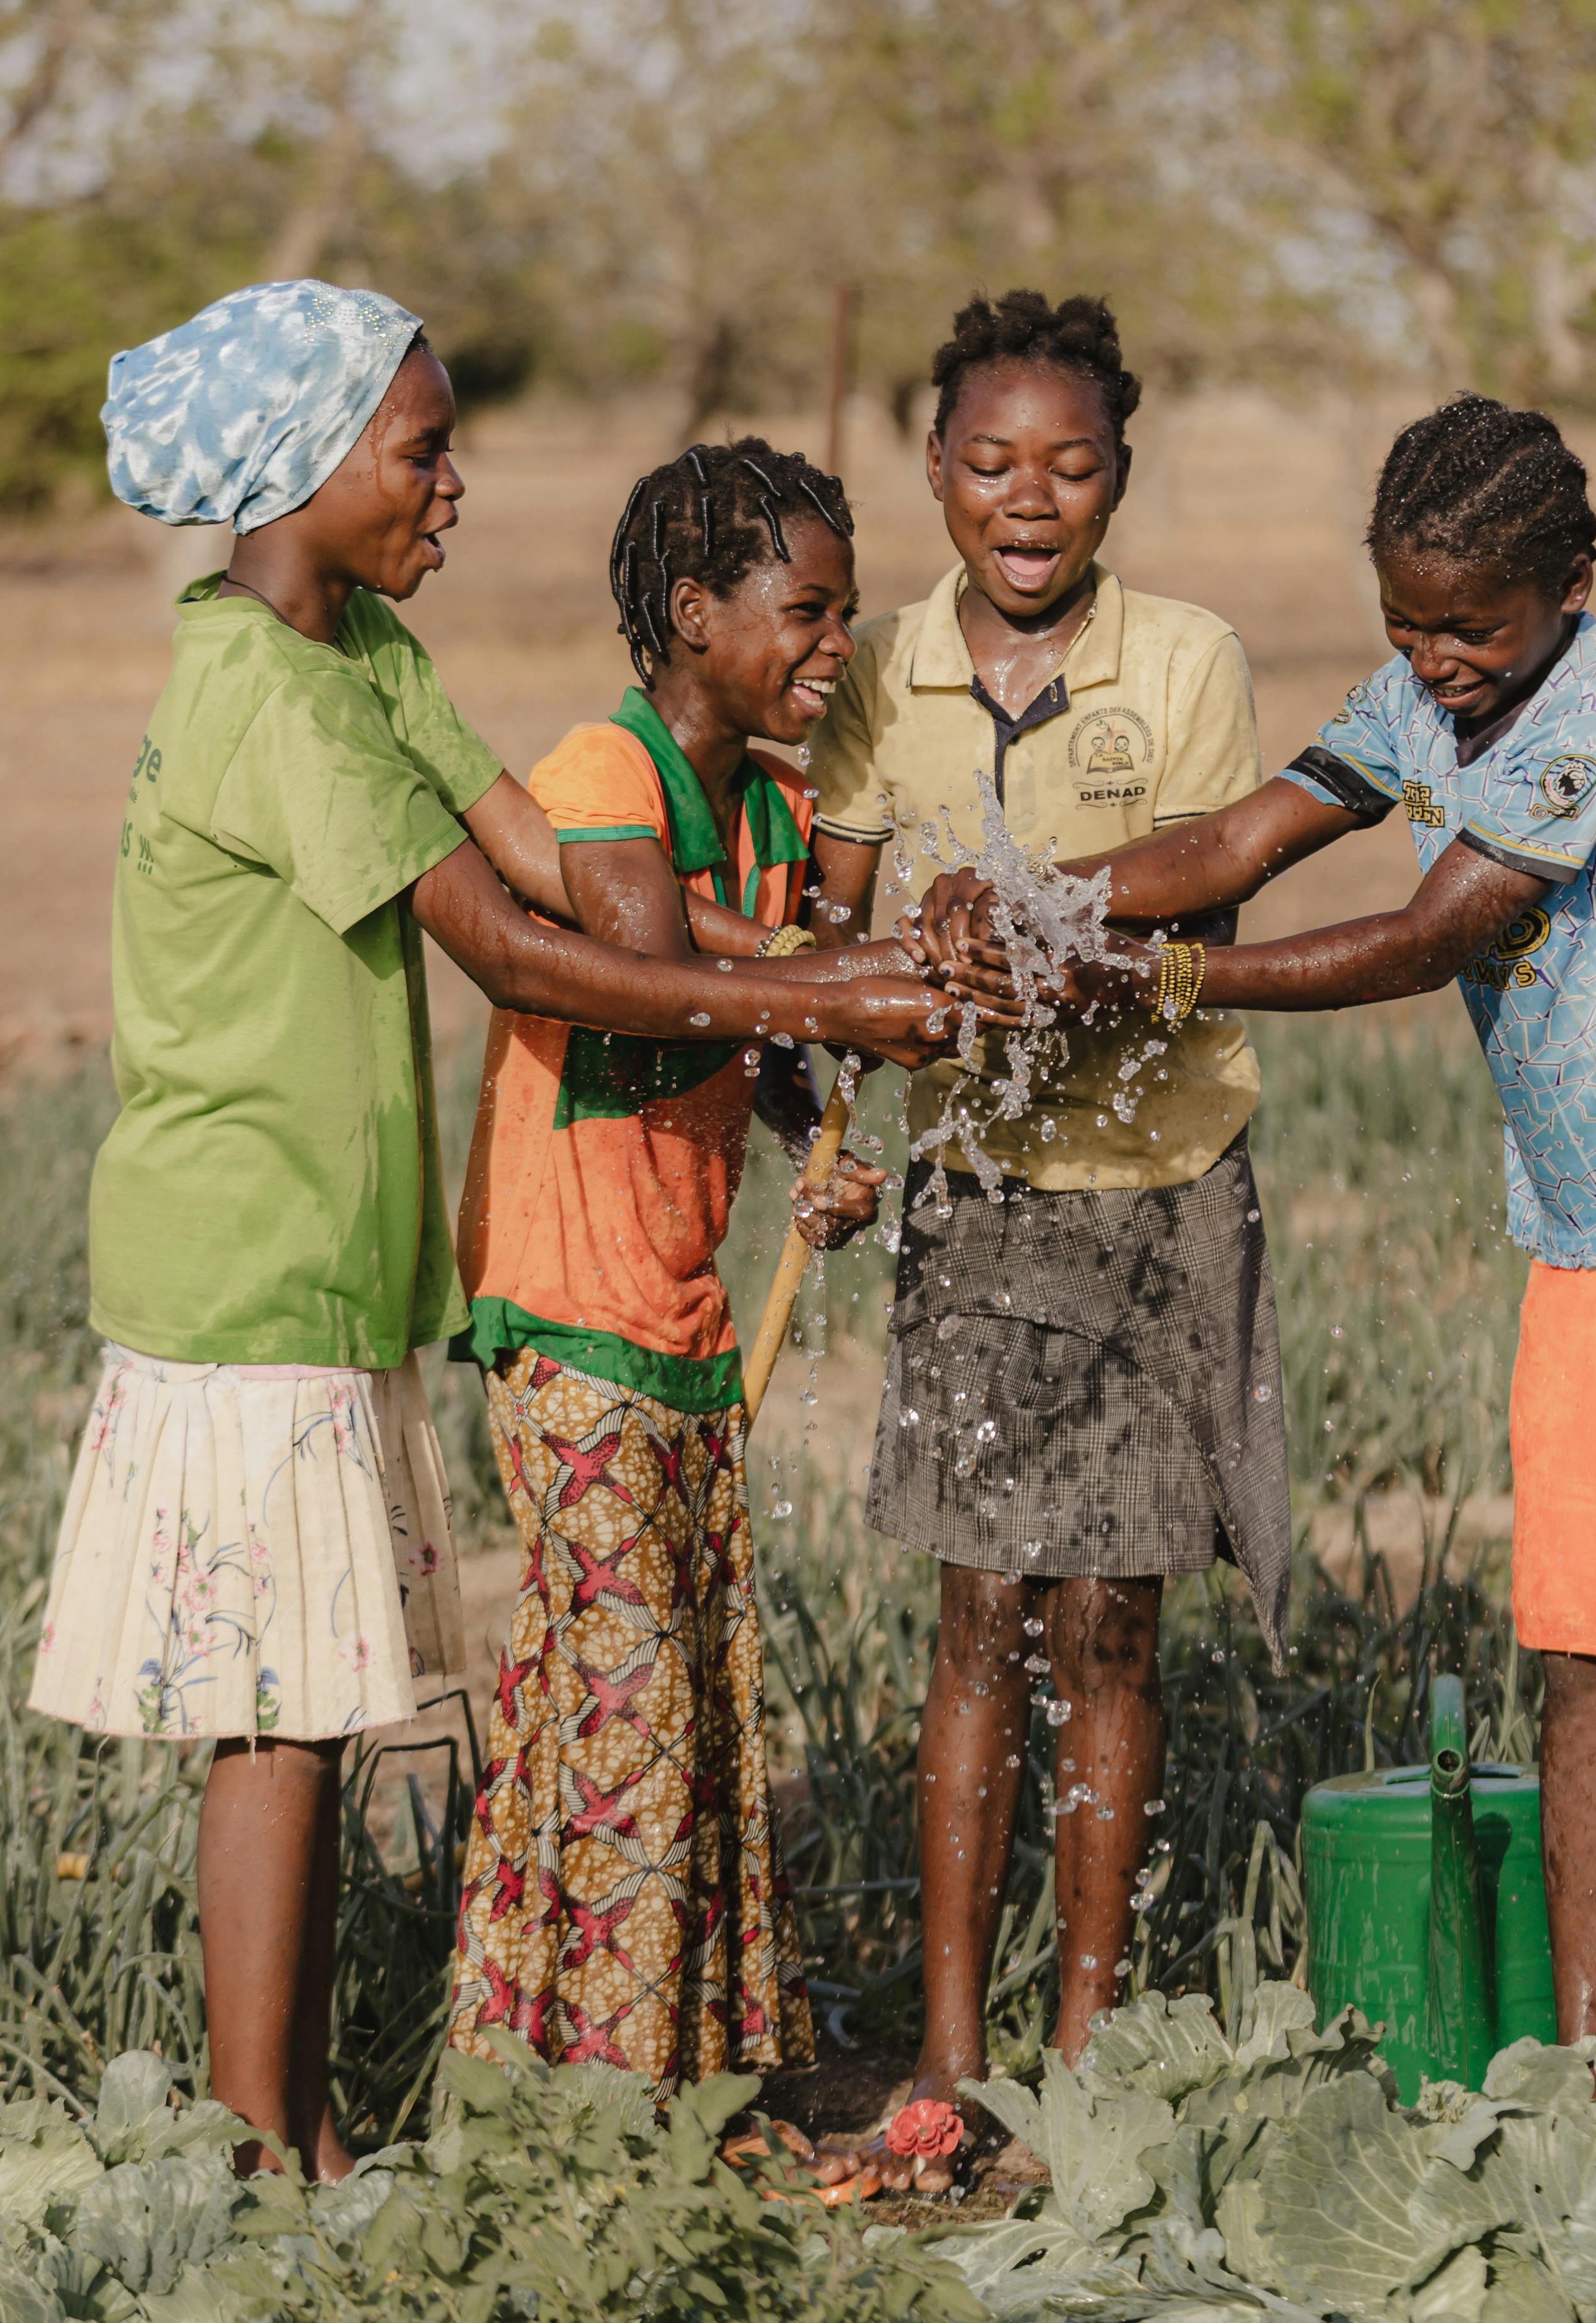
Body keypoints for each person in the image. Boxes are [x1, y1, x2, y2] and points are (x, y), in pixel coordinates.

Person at [26, 281, 947, 2181]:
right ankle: (256, 2147)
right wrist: (812, 998)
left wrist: (802, 970)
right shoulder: (255, 689)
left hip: (337, 1264)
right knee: (274, 1720)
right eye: (421, 448)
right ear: (300, 467)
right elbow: (516, 944)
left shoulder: (350, 645)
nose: (455, 485)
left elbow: (546, 859)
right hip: (243, 1262)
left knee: (320, 1707)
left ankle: (301, 2127)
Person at [921, 392, 1596, 2057]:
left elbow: (1425, 938)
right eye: (1406, 621)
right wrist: (1042, 896)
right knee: (1594, 1657)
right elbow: (1242, 837)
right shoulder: (1415, 699)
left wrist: (1142, 974)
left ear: (1572, 581)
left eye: (1474, 625)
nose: (1439, 657)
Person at [801, 291, 1292, 2191]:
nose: (1030, 501)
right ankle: (950, 2050)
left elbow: (1192, 903)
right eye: (991, 465)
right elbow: (840, 939)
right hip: (976, 1206)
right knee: (978, 1621)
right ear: (935, 472)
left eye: (1071, 467)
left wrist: (1038, 956)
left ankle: (1083, 2043)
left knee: (1113, 1620)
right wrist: (841, 1111)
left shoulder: (1183, 660)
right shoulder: (878, 676)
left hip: (1159, 1194)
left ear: (1121, 481)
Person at [440, 439, 904, 2090]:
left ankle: (633, 2085)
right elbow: (647, 956)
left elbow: (772, 1054)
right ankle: (615, 2120)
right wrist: (826, 976)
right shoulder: (601, 775)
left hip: (683, 1316)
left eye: (848, 614)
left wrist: (813, 1147)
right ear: (694, 613)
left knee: (675, 1709)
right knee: (631, 1708)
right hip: (564, 1313)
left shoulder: (771, 809)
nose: (836, 645)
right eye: (809, 609)